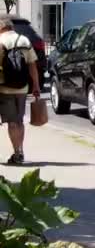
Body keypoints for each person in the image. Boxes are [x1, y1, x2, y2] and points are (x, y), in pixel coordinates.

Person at [0, 15, 40, 165]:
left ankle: (17, 153)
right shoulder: (24, 40)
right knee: (19, 120)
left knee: (11, 123)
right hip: (22, 87)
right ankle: (20, 150)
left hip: (5, 88)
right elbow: (32, 66)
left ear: (2, 27)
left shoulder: (0, 41)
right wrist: (35, 86)